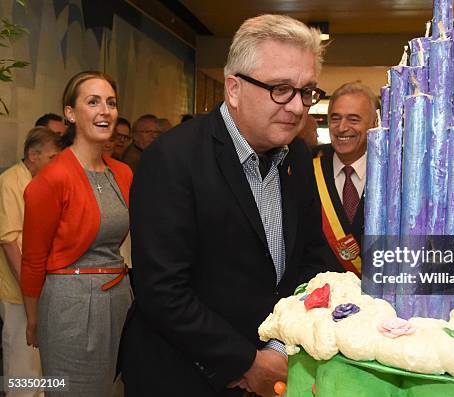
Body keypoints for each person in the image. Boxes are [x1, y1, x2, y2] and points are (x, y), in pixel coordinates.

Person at [119, 14, 332, 397]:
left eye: (306, 91)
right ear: (233, 89)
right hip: (182, 375)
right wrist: (246, 363)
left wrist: (279, 347)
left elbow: (312, 262)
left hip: (272, 369)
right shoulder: (172, 158)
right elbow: (163, 291)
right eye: (281, 89)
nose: (298, 107)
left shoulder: (297, 157)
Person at [20, 71, 133, 396]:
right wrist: (33, 318)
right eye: (93, 101)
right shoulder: (52, 179)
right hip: (71, 306)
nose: (105, 111)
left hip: (118, 301)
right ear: (70, 113)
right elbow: (33, 258)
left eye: (111, 103)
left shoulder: (122, 173)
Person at [0, 127, 61, 397]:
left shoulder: (44, 182)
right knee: (22, 366)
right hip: (19, 292)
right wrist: (30, 289)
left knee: (41, 368)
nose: (56, 163)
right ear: (32, 155)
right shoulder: (10, 181)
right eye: (52, 157)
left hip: (43, 288)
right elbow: (9, 241)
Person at [313, 82, 378, 275]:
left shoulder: (394, 172)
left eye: (353, 119)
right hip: (318, 294)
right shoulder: (308, 166)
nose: (342, 128)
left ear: (374, 124)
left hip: (378, 296)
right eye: (335, 118)